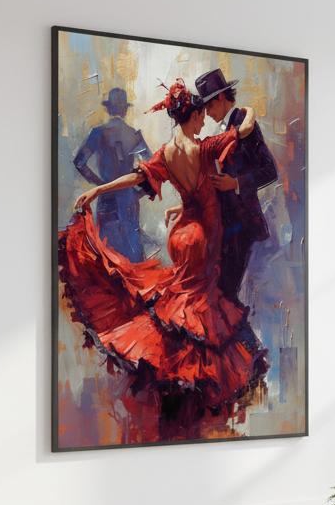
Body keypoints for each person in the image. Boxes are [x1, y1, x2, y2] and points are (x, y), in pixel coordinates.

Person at [60, 80, 268, 436]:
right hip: (203, 236)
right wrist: (248, 110)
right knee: (199, 308)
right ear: (196, 114)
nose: (204, 122)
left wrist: (97, 188)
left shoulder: (168, 153)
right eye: (201, 116)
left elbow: (134, 178)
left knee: (181, 304)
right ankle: (196, 384)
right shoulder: (205, 148)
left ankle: (176, 377)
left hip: (180, 232)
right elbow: (245, 128)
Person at [195, 67, 278, 300]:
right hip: (227, 225)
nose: (208, 113)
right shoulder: (226, 128)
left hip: (243, 225)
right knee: (222, 291)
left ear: (221, 98)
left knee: (227, 294)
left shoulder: (242, 121)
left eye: (209, 106)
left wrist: (236, 183)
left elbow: (269, 170)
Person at [72, 87, 152, 262]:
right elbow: (153, 170)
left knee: (108, 258)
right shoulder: (134, 135)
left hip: (106, 201)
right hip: (129, 201)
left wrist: (100, 186)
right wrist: (138, 193)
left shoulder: (98, 133)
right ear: (124, 110)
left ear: (109, 109)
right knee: (133, 259)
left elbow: (79, 162)